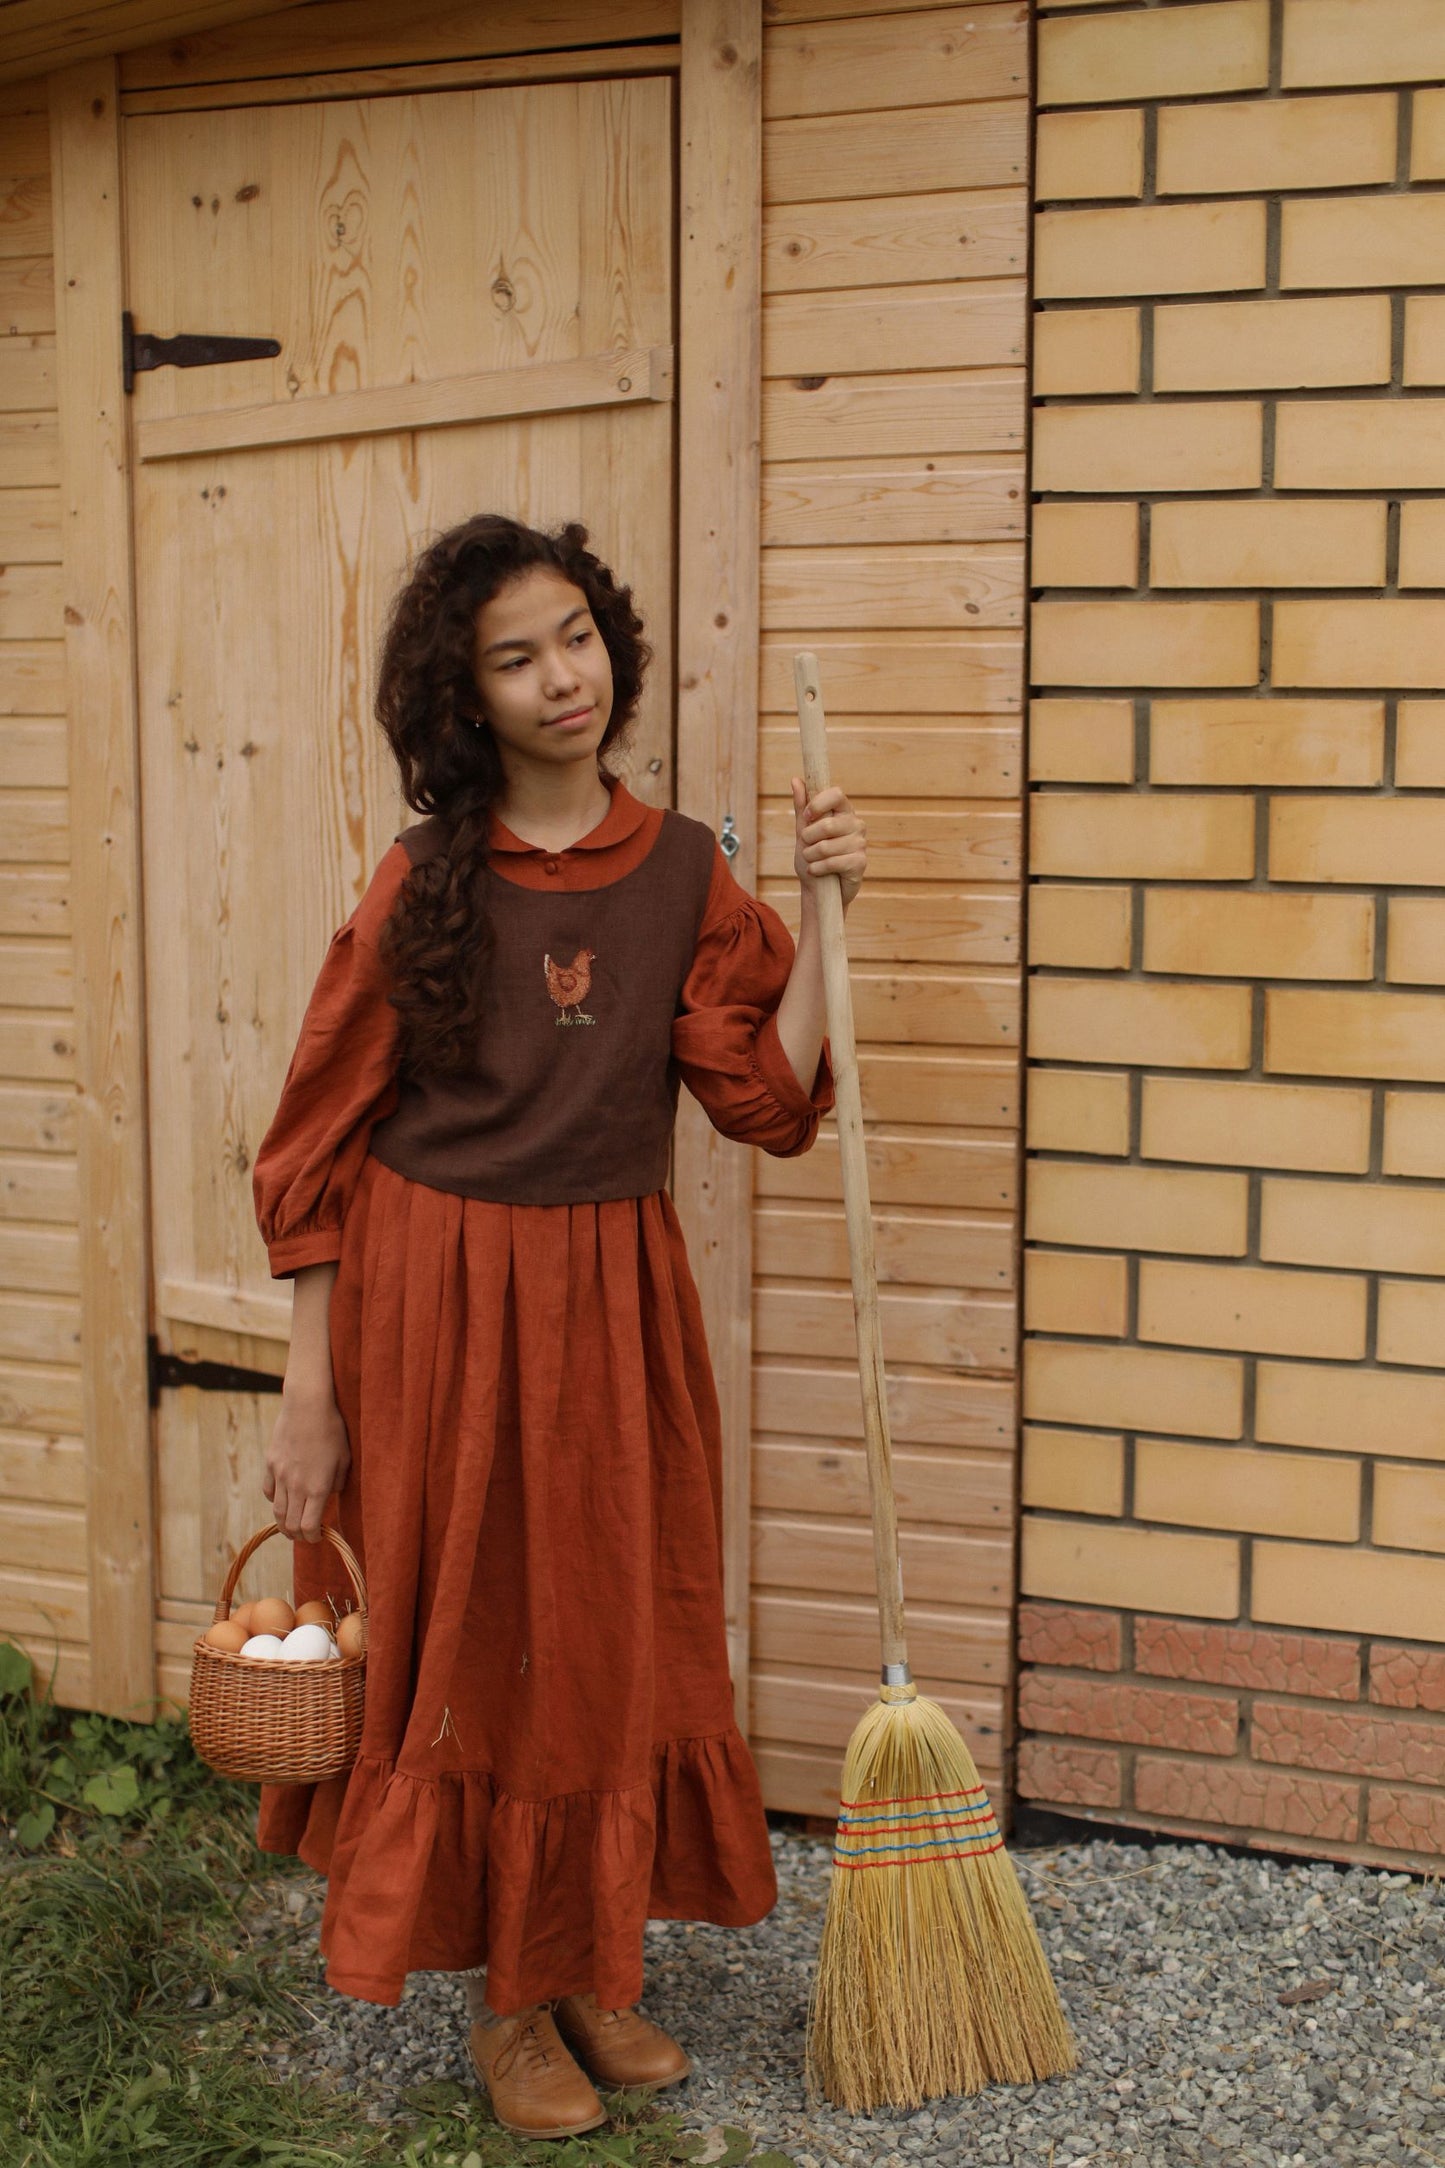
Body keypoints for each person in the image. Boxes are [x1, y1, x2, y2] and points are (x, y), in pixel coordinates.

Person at [250, 513, 867, 2141]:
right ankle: (506, 1999)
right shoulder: (423, 880)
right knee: (481, 1633)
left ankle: (589, 1952)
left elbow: (763, 1095)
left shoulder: (681, 870)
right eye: (516, 656)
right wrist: (308, 1395)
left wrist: (819, 911)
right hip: (437, 1303)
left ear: (613, 644)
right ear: (467, 695)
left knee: (607, 1620)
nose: (560, 676)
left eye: (577, 635)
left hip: (612, 1300)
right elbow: (314, 1141)